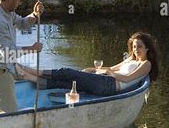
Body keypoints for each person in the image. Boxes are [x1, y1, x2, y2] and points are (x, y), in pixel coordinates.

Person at [16, 32, 159, 96]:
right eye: (134, 46)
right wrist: (93, 69)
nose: (136, 49)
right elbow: (111, 68)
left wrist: (109, 73)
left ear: (147, 48)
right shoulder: (131, 59)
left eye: (139, 46)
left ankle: (30, 70)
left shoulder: (146, 64)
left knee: (68, 72)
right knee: (68, 84)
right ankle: (28, 77)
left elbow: (127, 78)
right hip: (105, 82)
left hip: (109, 85)